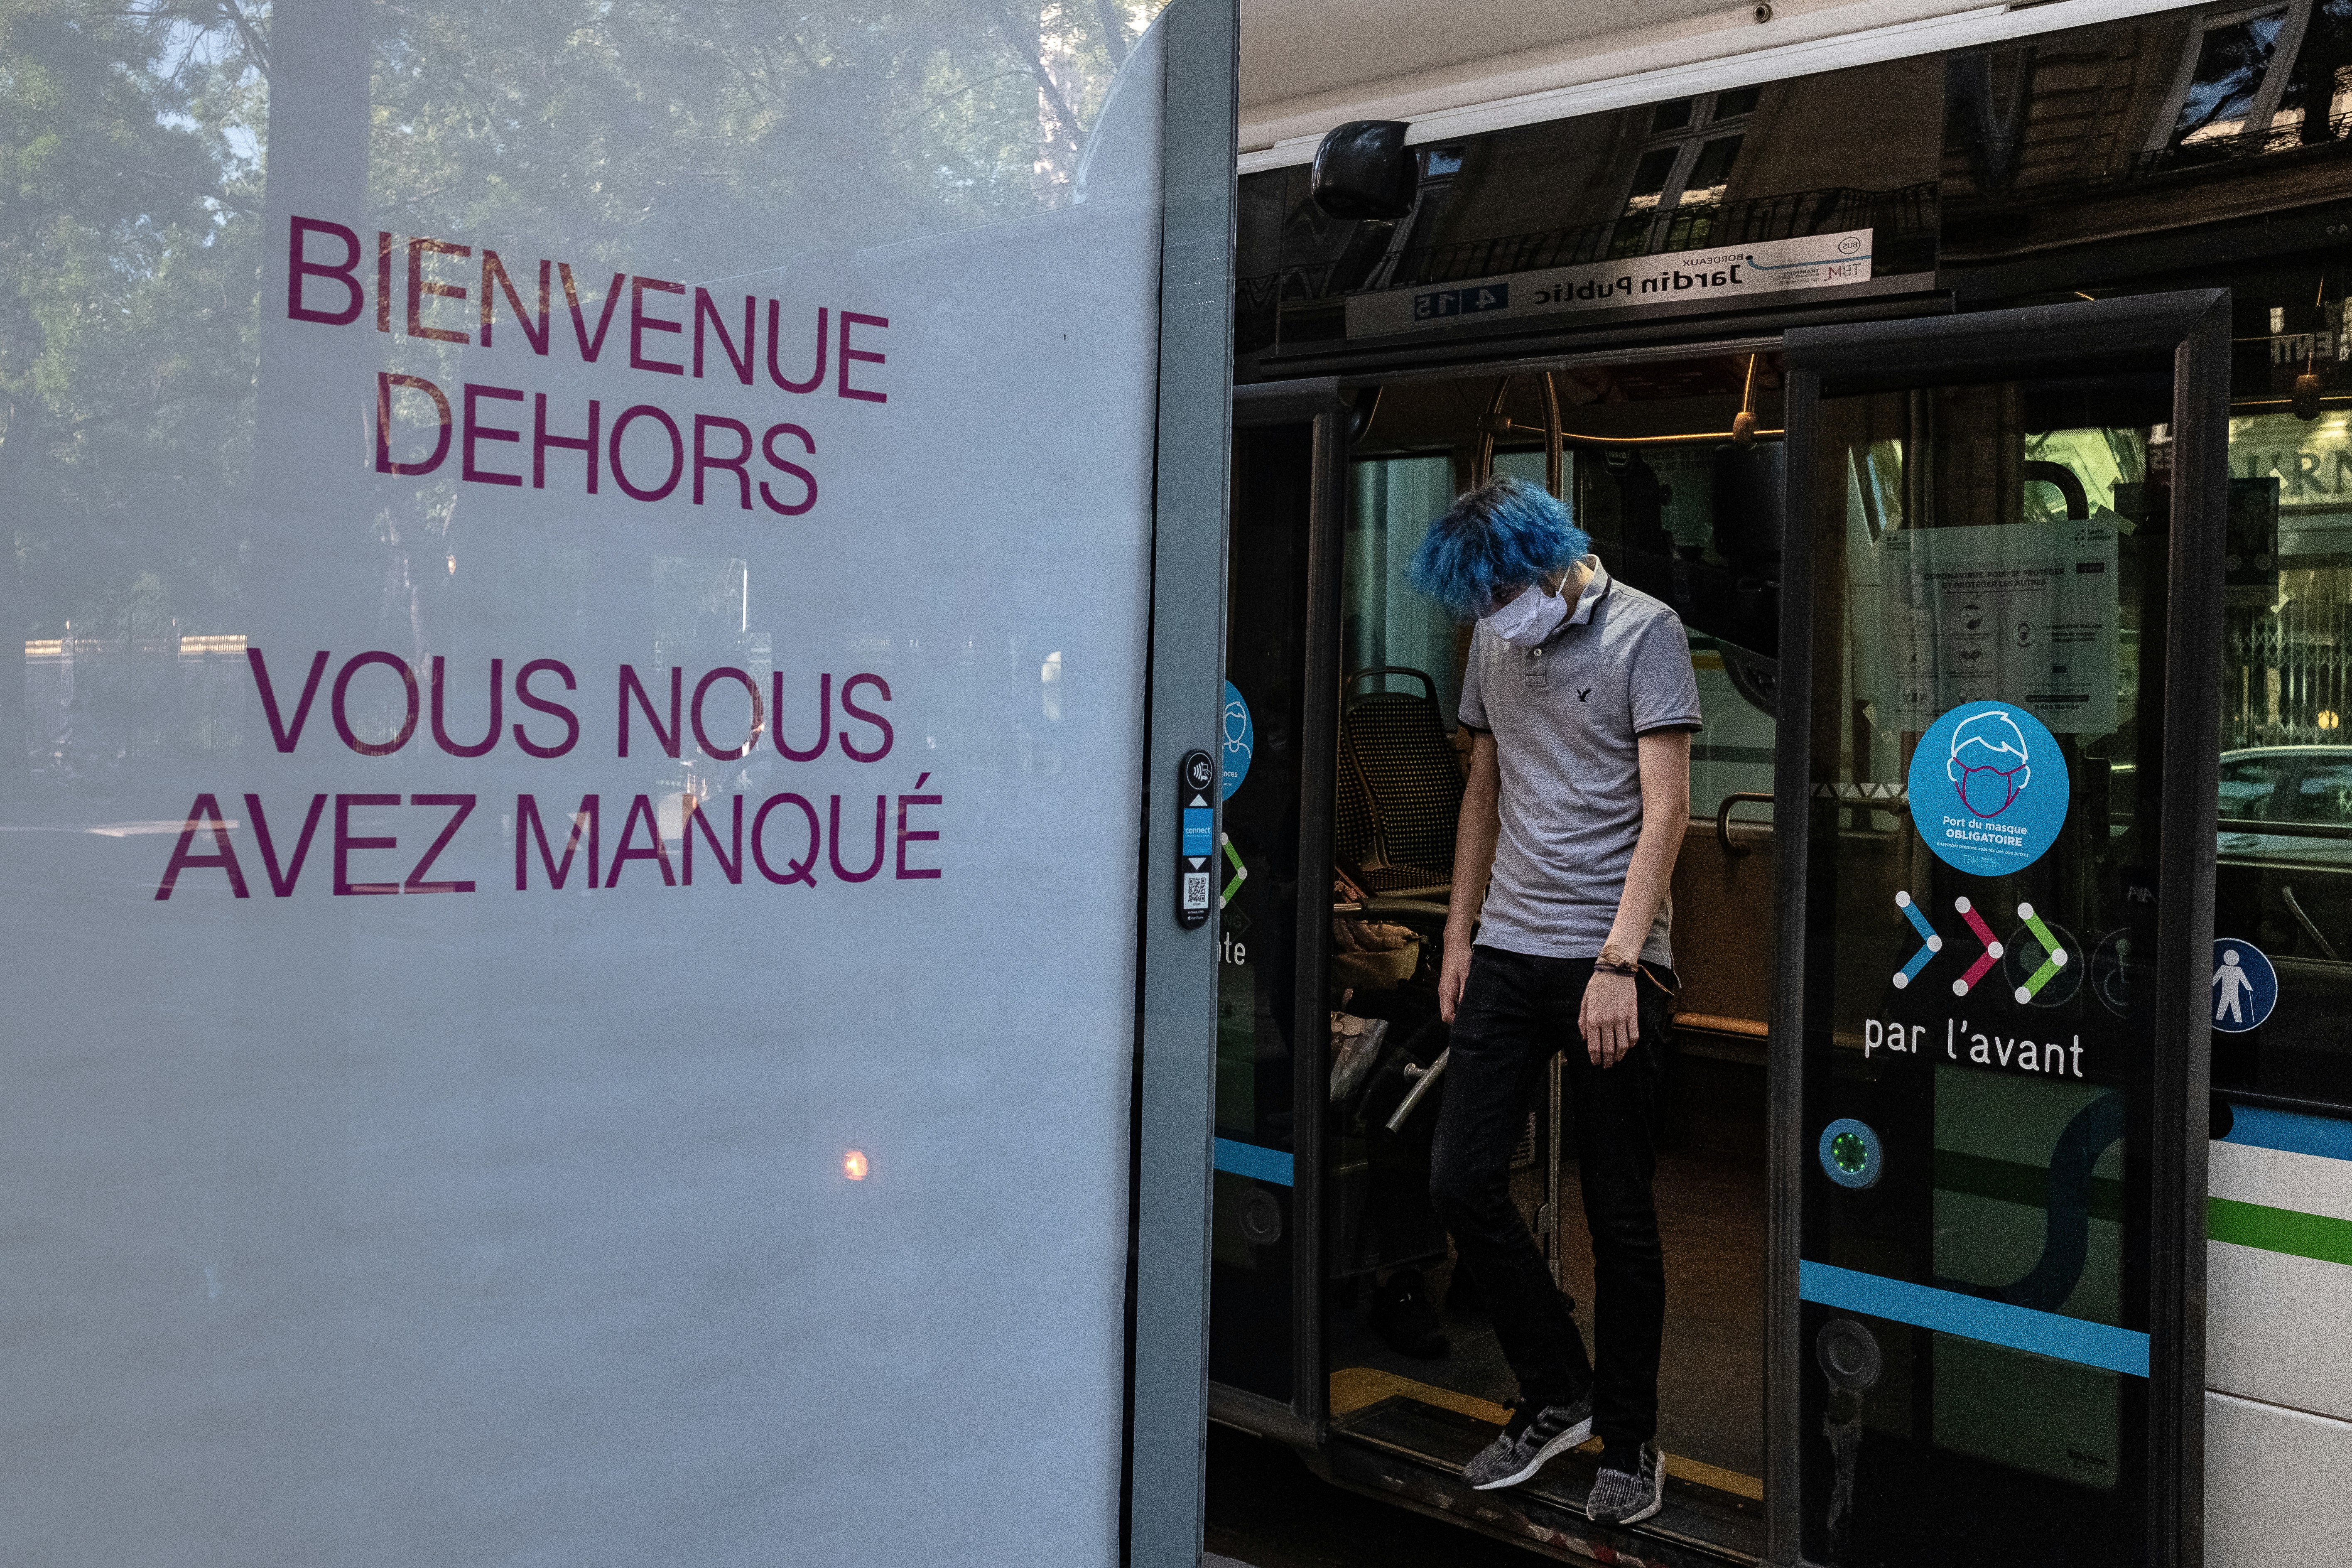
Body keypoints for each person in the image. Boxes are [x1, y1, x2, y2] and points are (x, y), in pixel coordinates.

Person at [1407, 476, 1700, 1526]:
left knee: (1618, 1211)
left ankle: (1632, 1435)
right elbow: (1483, 787)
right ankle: (1557, 1393)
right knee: (1461, 1179)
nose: (1495, 622)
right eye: (1479, 607)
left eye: (1501, 596)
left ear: (1548, 560)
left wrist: (1620, 963)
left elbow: (1667, 810)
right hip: (1510, 946)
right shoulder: (1496, 638)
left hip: (1614, 956)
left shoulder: (1647, 632)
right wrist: (1457, 931)